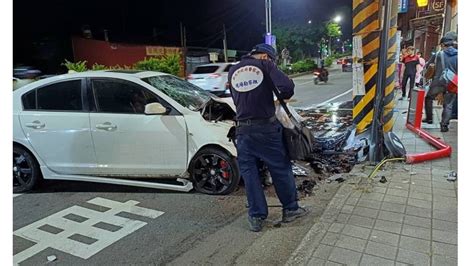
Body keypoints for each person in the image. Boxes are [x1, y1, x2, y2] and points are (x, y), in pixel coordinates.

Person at [228, 43, 308, 232]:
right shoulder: (265, 65)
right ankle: (290, 209)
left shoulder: (233, 70)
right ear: (265, 56)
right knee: (280, 168)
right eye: (272, 60)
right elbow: (287, 86)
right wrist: (280, 96)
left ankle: (256, 217)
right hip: (266, 129)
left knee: (250, 174)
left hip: (243, 132)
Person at [423, 32, 458, 132]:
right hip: (452, 83)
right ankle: (444, 125)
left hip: (438, 82)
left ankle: (429, 118)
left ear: (443, 45)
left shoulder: (438, 54)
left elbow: (428, 65)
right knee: (448, 105)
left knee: (429, 98)